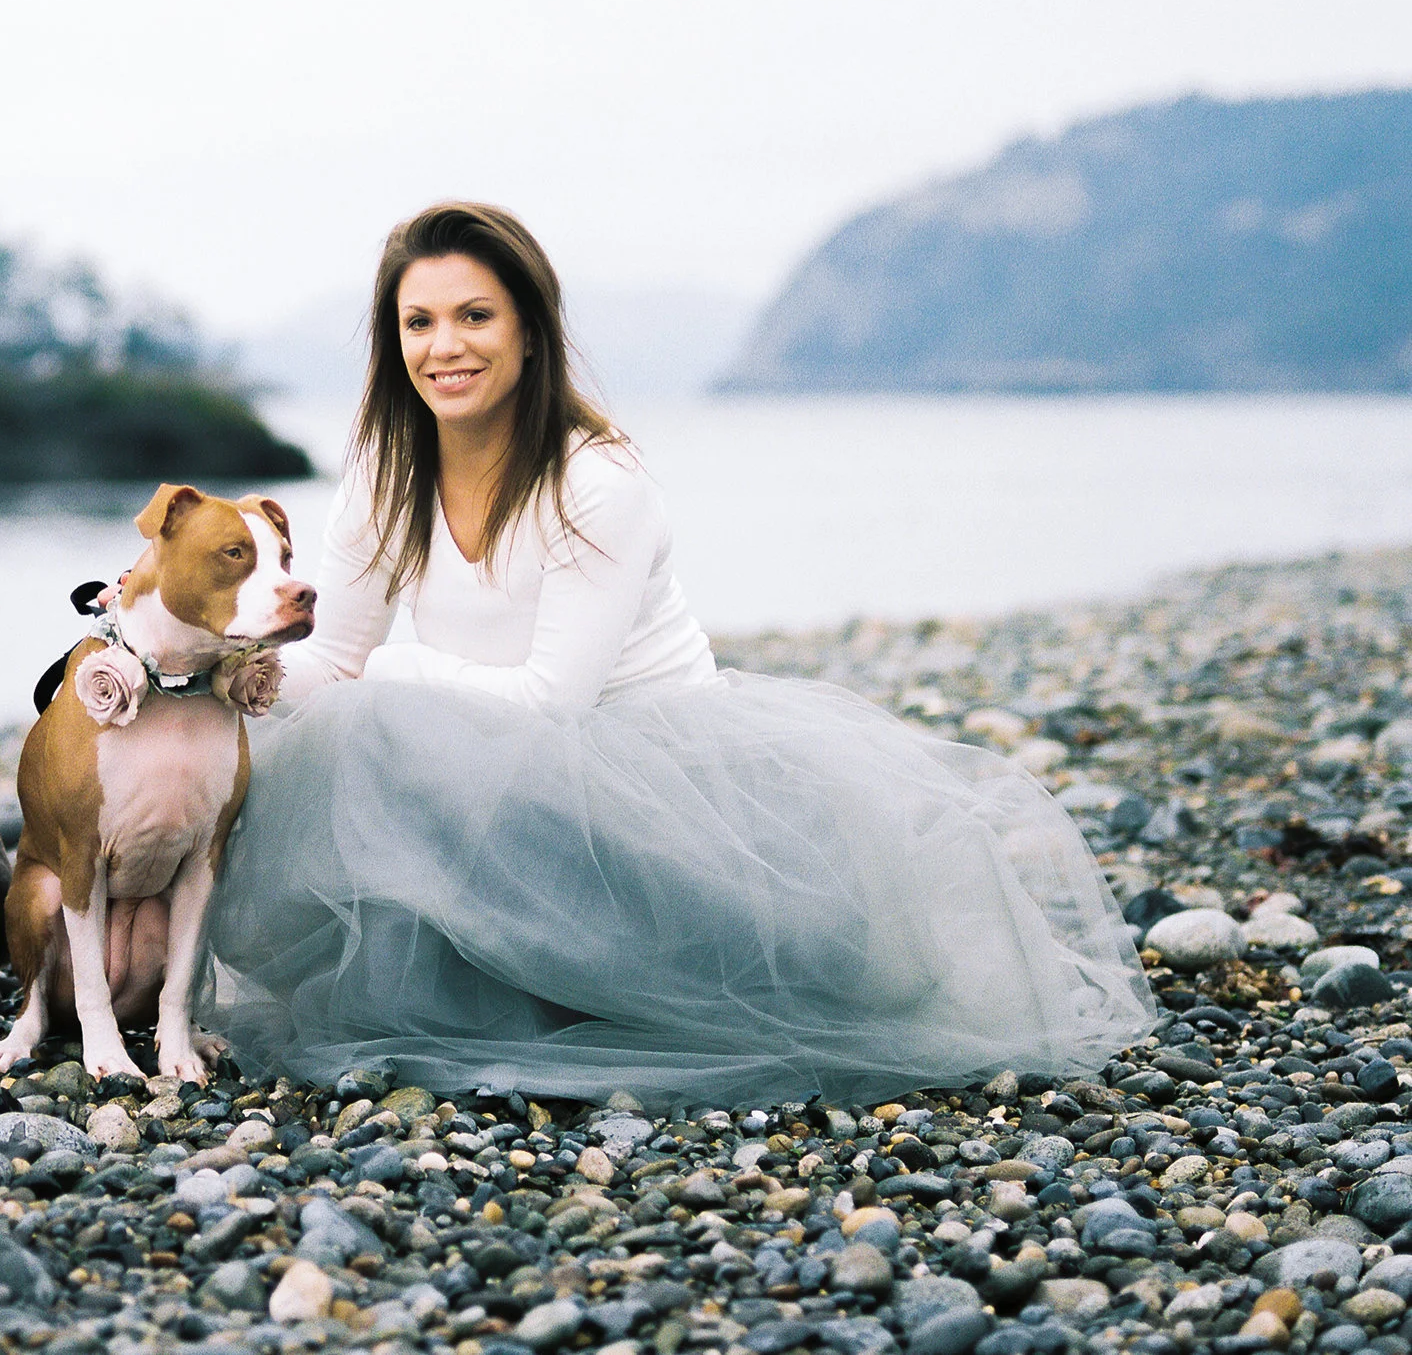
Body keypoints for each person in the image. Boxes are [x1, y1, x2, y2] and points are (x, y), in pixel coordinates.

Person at [202, 202, 1153, 1108]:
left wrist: (388, 678)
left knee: (382, 726)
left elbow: (547, 705)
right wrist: (224, 664)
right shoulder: (384, 473)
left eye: (474, 316)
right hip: (485, 785)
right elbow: (338, 657)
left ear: (531, 331)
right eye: (419, 322)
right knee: (321, 740)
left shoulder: (596, 482)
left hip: (648, 795)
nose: (444, 346)